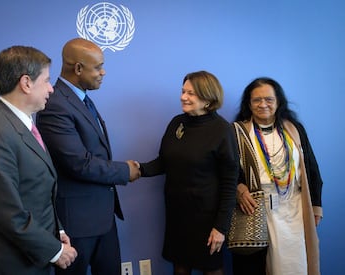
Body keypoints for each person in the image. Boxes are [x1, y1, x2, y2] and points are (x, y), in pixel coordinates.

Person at [0, 46, 78, 275]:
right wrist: (55, 251)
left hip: (30, 258)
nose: (51, 88)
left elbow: (36, 192)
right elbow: (9, 214)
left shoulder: (20, 125)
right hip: (7, 264)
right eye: (46, 80)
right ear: (26, 83)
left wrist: (57, 231)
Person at [36, 38, 141, 275]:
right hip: (78, 225)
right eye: (98, 67)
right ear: (78, 68)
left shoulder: (81, 98)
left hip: (103, 219)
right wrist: (125, 171)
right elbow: (78, 163)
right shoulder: (55, 104)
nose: (103, 72)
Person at [138, 71, 239, 275]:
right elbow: (164, 163)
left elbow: (230, 184)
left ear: (208, 98)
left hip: (207, 220)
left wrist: (221, 228)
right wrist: (136, 169)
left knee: (212, 269)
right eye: (183, 91)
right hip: (178, 216)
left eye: (191, 93)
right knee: (180, 268)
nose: (183, 97)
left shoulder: (222, 130)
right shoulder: (177, 123)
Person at [231, 77, 323, 275]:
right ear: (249, 103)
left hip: (294, 207)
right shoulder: (238, 132)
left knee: (293, 265)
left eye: (269, 99)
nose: (263, 104)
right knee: (254, 266)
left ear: (278, 101)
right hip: (255, 208)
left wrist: (316, 206)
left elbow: (311, 168)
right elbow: (227, 170)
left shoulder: (294, 129)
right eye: (256, 100)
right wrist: (239, 188)